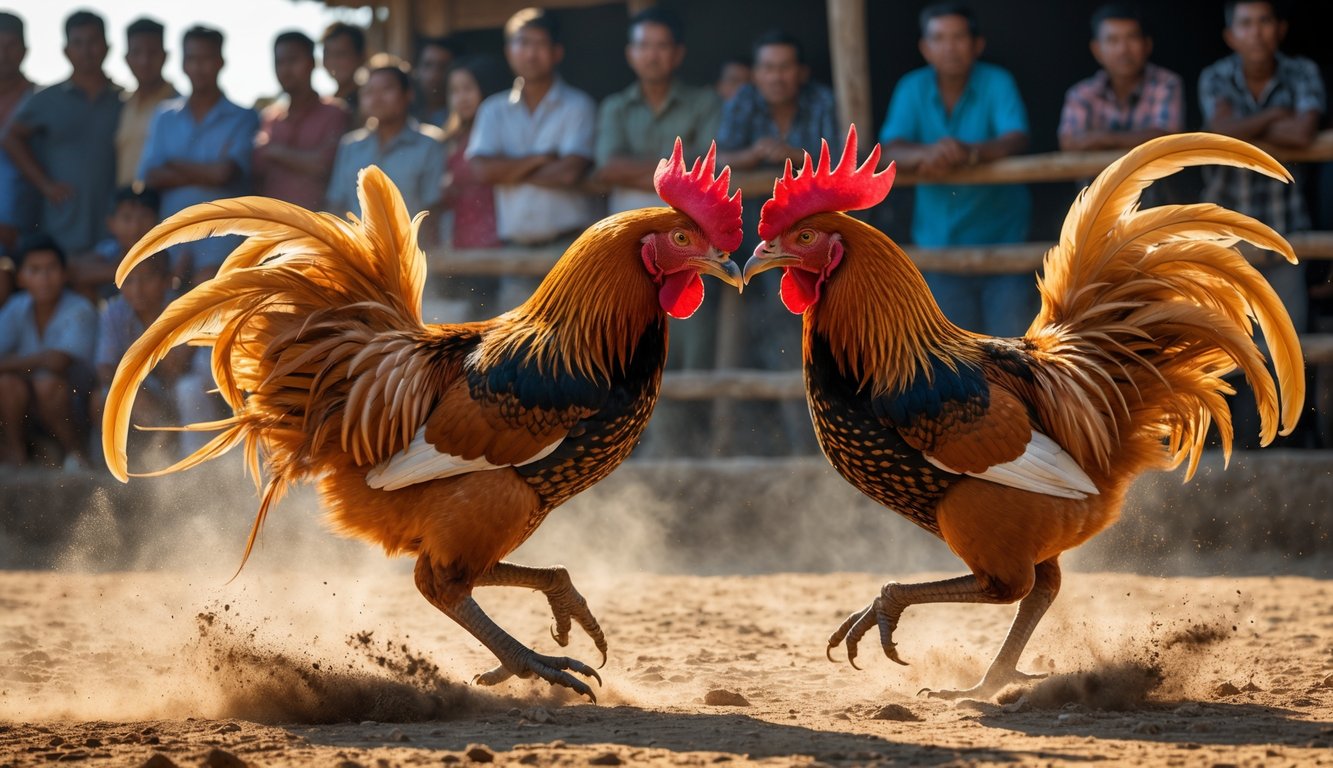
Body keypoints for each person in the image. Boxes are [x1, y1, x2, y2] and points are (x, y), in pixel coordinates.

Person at [1199, 0, 1325, 448]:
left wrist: (1247, 126)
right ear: (1231, 35)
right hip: (1225, 243)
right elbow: (1223, 131)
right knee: (1224, 349)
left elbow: (1304, 134)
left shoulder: (1302, 72)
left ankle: (1290, 442)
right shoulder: (1215, 76)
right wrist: (1274, 118)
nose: (1256, 32)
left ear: (1280, 29)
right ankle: (1233, 448)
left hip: (1284, 239)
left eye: (1265, 21)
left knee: (1286, 353)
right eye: (1246, 23)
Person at [879, 2, 1033, 338]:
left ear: (977, 44)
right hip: (939, 248)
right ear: (925, 48)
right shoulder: (912, 87)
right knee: (951, 363)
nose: (949, 47)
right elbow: (889, 149)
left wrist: (971, 153)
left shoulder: (997, 81)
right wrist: (929, 153)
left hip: (1004, 245)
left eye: (959, 37)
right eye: (939, 38)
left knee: (1013, 357)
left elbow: (1018, 138)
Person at [467, 7, 598, 307]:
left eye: (539, 44)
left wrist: (506, 169)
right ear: (509, 51)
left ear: (557, 52)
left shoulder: (578, 105)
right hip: (514, 250)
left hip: (569, 247)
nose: (530, 53)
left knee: (571, 344)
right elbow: (481, 171)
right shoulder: (492, 109)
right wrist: (540, 159)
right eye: (522, 43)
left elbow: (569, 173)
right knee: (515, 348)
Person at [137, 25, 259, 287]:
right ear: (182, 63)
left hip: (224, 250)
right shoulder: (164, 116)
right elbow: (149, 176)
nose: (198, 67)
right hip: (170, 247)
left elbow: (225, 174)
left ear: (220, 62)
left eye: (205, 59)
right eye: (192, 59)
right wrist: (207, 173)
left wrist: (174, 165)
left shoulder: (244, 117)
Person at [1, 10, 121, 257]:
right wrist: (46, 185)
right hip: (61, 226)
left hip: (113, 226)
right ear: (66, 50)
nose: (86, 51)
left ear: (107, 47)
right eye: (78, 43)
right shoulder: (47, 100)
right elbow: (11, 137)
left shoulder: (124, 100)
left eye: (93, 42)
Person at [594, 7, 721, 215]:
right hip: (626, 229)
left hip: (691, 230)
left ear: (678, 54)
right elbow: (608, 168)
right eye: (643, 46)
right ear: (630, 54)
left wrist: (631, 172)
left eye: (662, 46)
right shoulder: (615, 106)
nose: (652, 56)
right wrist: (675, 168)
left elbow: (709, 166)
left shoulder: (704, 102)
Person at [90, 251, 205, 464]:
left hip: (185, 395)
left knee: (189, 390)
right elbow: (104, 367)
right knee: (103, 398)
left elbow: (175, 368)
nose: (137, 289)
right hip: (145, 393)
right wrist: (131, 389)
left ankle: (193, 462)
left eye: (147, 279)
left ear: (167, 280)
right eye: (129, 280)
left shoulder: (185, 308)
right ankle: (123, 464)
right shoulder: (114, 311)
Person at [0, 233, 97, 469]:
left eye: (51, 269)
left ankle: (76, 454)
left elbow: (57, 362)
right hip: (30, 408)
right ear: (20, 278)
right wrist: (33, 362)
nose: (44, 277)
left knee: (47, 384)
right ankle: (17, 453)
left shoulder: (79, 308)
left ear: (64, 274)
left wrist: (13, 362)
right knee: (7, 384)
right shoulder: (16, 307)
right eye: (34, 269)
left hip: (77, 408)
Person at [326, 54, 445, 222]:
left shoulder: (429, 144)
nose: (376, 98)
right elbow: (337, 205)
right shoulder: (350, 146)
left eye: (387, 89)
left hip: (412, 247)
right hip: (356, 247)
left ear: (408, 94)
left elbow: (434, 211)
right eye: (369, 91)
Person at [1058, 4, 1182, 153]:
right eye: (1112, 40)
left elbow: (1167, 139)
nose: (1123, 50)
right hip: (1096, 178)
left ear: (1147, 45)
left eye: (1132, 38)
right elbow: (1069, 143)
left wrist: (1104, 139)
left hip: (1153, 178)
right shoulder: (1081, 93)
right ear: (1096, 50)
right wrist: (1136, 140)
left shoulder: (1166, 83)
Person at [715, 29, 838, 172]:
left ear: (803, 73)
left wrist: (793, 155)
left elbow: (840, 162)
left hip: (815, 193)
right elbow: (720, 159)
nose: (776, 78)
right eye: (768, 68)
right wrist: (755, 153)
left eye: (785, 67)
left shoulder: (823, 101)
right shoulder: (743, 99)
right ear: (755, 74)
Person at [253, 30, 348, 210]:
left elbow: (323, 165)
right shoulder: (270, 117)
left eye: (293, 60)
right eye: (279, 62)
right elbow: (256, 171)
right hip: (273, 228)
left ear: (312, 63)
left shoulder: (335, 113)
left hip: (317, 229)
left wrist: (275, 151)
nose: (286, 69)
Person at [439, 55, 505, 250]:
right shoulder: (451, 140)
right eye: (454, 91)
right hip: (461, 241)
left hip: (500, 242)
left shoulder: (500, 134)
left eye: (468, 88)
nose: (461, 98)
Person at [115, 17, 177, 187]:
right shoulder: (121, 104)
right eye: (137, 53)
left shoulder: (179, 107)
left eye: (152, 53)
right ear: (127, 58)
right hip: (125, 209)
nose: (144, 61)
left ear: (165, 56)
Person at [0, 11, 35, 261]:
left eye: (10, 46)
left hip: (26, 232)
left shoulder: (41, 102)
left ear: (24, 50)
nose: (3, 54)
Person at [321, 22, 366, 125]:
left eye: (341, 54)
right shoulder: (326, 104)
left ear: (360, 57)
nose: (333, 61)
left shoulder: (369, 102)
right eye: (327, 54)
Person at [412, 36, 463, 128]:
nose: (434, 74)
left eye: (442, 67)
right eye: (427, 65)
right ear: (417, 69)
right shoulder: (404, 112)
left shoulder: (463, 115)